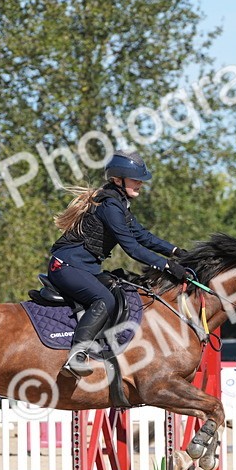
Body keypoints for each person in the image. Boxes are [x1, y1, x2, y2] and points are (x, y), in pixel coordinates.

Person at [48, 150, 193, 377]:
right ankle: (76, 356)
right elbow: (132, 248)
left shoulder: (119, 204)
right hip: (66, 267)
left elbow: (143, 236)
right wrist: (166, 265)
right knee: (103, 299)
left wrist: (176, 252)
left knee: (122, 291)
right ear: (118, 179)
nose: (140, 184)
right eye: (136, 179)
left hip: (84, 269)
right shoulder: (109, 207)